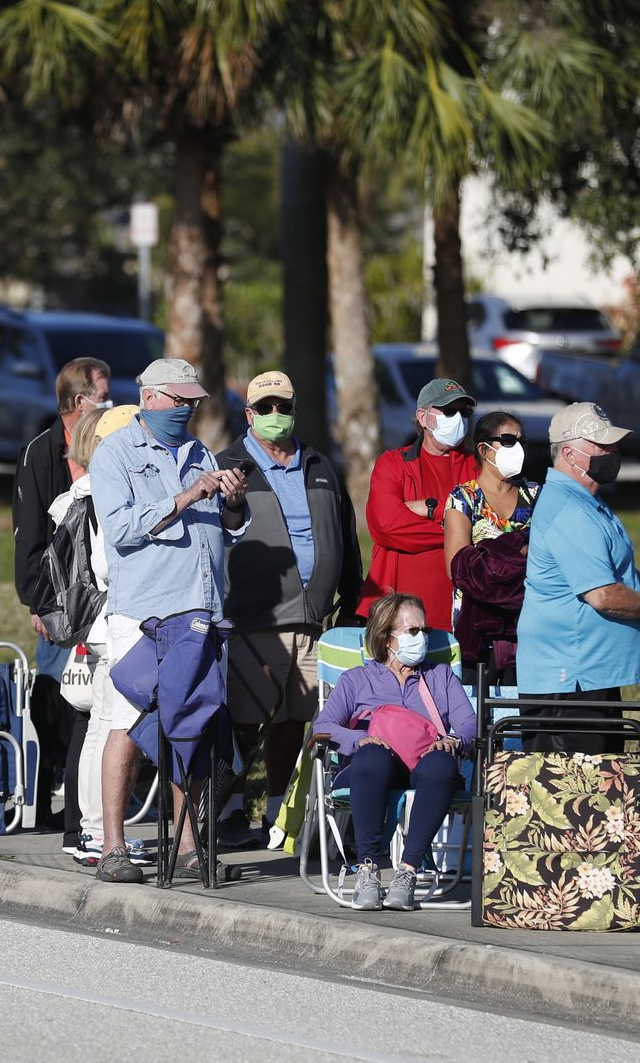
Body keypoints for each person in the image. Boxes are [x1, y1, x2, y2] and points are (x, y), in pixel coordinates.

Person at [87, 357, 247, 884]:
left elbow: (224, 531)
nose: (186, 409)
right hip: (144, 615)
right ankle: (112, 848)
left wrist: (232, 504)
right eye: (178, 399)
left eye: (192, 401)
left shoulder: (200, 451)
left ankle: (187, 847)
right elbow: (120, 529)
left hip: (201, 612)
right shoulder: (115, 453)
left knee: (192, 729)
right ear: (149, 396)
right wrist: (187, 495)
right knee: (127, 727)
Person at [216, 370, 362, 842]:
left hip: (314, 618)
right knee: (247, 719)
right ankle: (228, 810)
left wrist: (351, 599)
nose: (275, 414)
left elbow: (346, 535)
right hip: (254, 617)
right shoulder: (228, 466)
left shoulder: (319, 464)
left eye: (283, 406)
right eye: (265, 408)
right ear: (249, 414)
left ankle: (279, 812)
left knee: (295, 720)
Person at [516, 402, 640, 752]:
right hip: (569, 679)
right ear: (569, 453)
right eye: (601, 445)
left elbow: (605, 566)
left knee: (602, 779)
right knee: (572, 784)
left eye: (613, 444)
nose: (612, 451)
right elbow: (601, 593)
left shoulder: (587, 501)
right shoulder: (569, 508)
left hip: (588, 673)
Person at [313, 592, 475, 912]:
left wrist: (453, 740)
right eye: (412, 631)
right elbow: (324, 726)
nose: (422, 638)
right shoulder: (356, 680)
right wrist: (359, 739)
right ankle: (368, 870)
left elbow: (470, 724)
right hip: (372, 768)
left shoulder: (440, 676)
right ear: (386, 637)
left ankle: (407, 872)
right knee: (371, 755)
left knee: (442, 764)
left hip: (424, 764)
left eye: (425, 631)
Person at [13, 356, 113, 832]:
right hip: (60, 605)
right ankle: (41, 800)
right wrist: (41, 603)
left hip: (100, 603)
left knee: (87, 712)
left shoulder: (108, 447)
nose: (111, 405)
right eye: (103, 396)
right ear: (79, 401)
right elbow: (29, 538)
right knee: (56, 702)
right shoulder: (41, 453)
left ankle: (78, 811)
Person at [51, 406, 147, 865]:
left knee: (99, 726)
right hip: (111, 622)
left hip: (97, 624)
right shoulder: (100, 494)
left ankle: (89, 829)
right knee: (111, 728)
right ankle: (94, 830)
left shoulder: (80, 492)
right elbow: (108, 564)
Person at [357, 377, 479, 628]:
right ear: (423, 418)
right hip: (398, 616)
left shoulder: (477, 467)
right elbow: (387, 527)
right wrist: (460, 530)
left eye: (464, 411)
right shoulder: (393, 463)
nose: (458, 418)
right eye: (448, 410)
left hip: (462, 614)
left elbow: (489, 523)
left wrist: (431, 509)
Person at [443, 410, 540, 675]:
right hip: (477, 627)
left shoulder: (535, 494)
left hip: (528, 623)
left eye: (521, 441)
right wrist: (520, 552)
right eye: (508, 440)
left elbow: (550, 555)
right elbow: (457, 567)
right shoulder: (464, 498)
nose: (517, 448)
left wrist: (494, 558)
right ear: (484, 449)